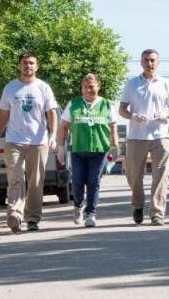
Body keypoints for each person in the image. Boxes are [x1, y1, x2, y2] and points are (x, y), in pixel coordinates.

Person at [0, 51, 58, 233]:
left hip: (38, 142)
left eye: (31, 63)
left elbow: (51, 113)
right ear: (19, 66)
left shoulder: (43, 87)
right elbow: (4, 114)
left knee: (36, 181)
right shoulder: (10, 88)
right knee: (16, 178)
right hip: (14, 140)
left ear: (36, 66)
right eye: (24, 62)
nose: (27, 65)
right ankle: (15, 214)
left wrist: (53, 135)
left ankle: (33, 219)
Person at [119, 49, 169, 226]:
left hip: (160, 135)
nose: (149, 63)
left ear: (158, 63)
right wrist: (133, 116)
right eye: (146, 60)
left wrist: (166, 114)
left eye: (152, 60)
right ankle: (138, 205)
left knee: (161, 175)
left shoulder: (165, 83)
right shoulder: (132, 84)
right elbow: (122, 109)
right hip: (137, 136)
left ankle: (157, 213)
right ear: (141, 63)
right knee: (134, 175)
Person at [57, 74, 119, 227]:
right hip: (77, 150)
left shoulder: (107, 104)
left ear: (98, 86)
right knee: (78, 181)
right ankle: (78, 206)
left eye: (91, 86)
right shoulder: (74, 103)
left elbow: (113, 126)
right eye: (85, 87)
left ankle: (91, 214)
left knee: (93, 182)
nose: (88, 90)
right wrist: (60, 148)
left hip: (100, 150)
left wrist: (115, 146)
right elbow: (63, 126)